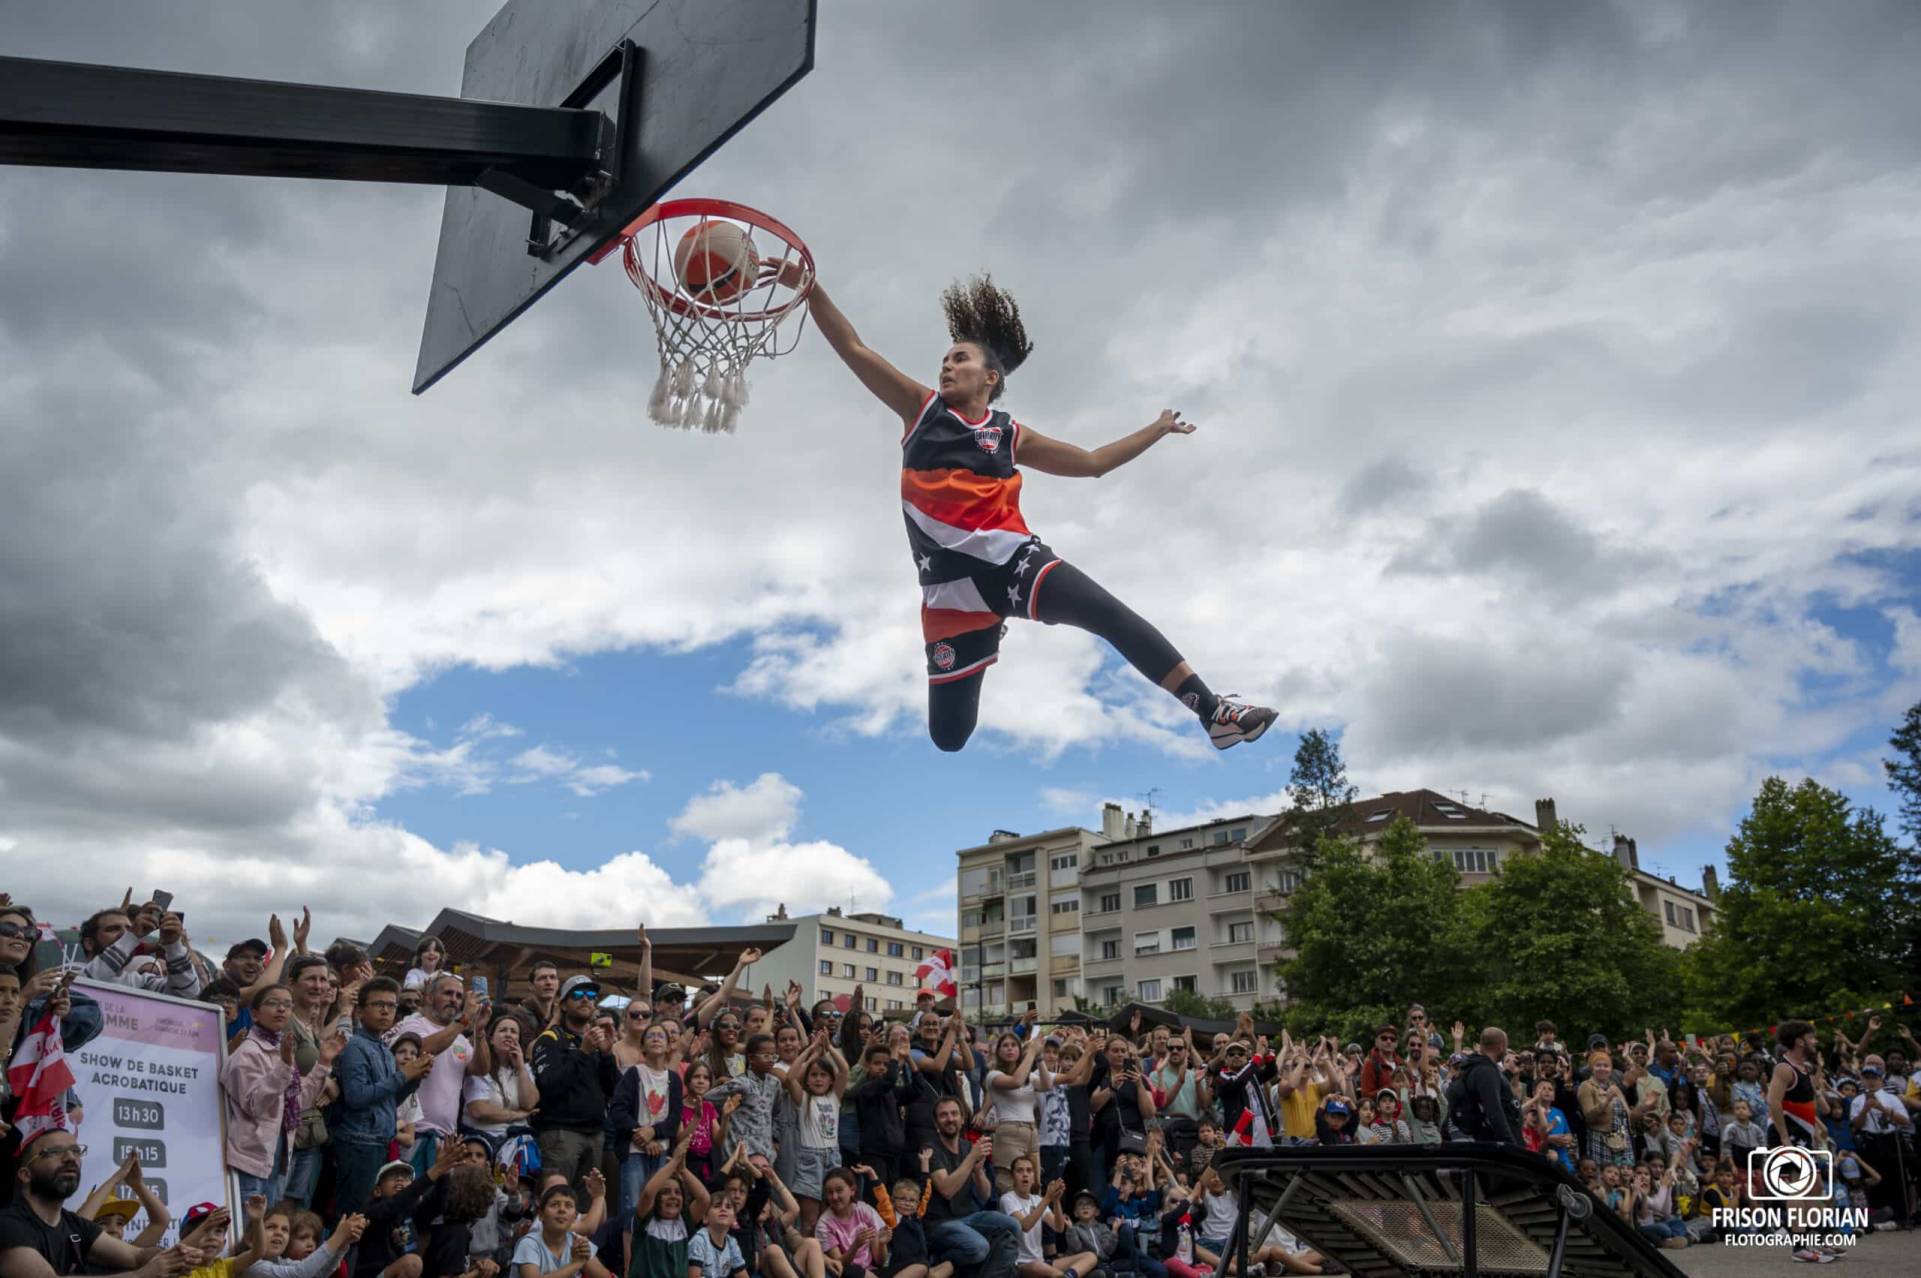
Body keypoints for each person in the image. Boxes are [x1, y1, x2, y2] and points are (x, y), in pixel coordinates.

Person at [797, 269, 1278, 753]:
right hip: (950, 594)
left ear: (989, 377)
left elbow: (1092, 463)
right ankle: (991, 629)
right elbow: (853, 347)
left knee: (1107, 614)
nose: (945, 366)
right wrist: (810, 289)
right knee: (949, 736)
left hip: (1014, 560)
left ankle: (1213, 711)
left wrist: (1155, 428)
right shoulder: (920, 410)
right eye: (943, 359)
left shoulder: (1009, 434)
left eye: (958, 358)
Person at [0, 1129, 202, 1278]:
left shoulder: (74, 1226)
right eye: (53, 1152)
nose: (70, 1158)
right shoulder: (8, 1225)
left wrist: (175, 1255)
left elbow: (136, 1255)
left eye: (76, 1151)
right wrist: (141, 1275)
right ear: (25, 1175)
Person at [220, 985, 349, 1204]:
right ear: (254, 1013)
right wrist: (284, 1066)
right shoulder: (248, 1052)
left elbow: (298, 1103)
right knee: (248, 1232)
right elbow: (254, 1105)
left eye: (287, 1005)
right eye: (273, 1003)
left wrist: (323, 1062)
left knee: (268, 1229)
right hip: (250, 1159)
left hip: (277, 1158)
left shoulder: (281, 1049)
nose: (281, 1009)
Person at [336, 978, 436, 1215]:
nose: (385, 1010)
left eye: (391, 1006)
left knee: (367, 1214)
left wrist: (415, 1077)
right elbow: (356, 1096)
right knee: (351, 1215)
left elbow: (390, 1101)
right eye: (378, 1004)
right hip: (358, 1142)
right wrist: (403, 1076)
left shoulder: (383, 1049)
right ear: (360, 1010)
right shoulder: (355, 1047)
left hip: (378, 1141)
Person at [530, 977, 621, 1194]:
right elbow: (549, 1086)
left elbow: (614, 1091)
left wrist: (607, 1055)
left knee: (586, 1207)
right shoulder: (550, 1039)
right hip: (561, 1134)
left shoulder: (596, 1042)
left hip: (595, 1134)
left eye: (591, 996)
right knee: (555, 1200)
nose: (586, 1000)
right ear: (563, 1004)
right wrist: (583, 1053)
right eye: (578, 995)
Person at [391, 974, 489, 1174]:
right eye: (448, 993)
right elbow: (424, 1048)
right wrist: (463, 1020)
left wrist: (479, 1031)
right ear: (429, 998)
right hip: (413, 1134)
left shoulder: (460, 1038)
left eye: (459, 996)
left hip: (445, 1138)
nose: (454, 999)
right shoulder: (414, 1025)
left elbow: (481, 1068)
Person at [920, 1097, 1020, 1278]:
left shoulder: (968, 1147)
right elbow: (946, 1190)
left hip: (968, 1216)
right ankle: (943, 1262)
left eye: (954, 1114)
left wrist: (978, 1170)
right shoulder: (930, 1149)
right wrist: (971, 1158)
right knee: (978, 1248)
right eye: (943, 1115)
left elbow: (985, 1195)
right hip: (939, 1223)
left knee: (1012, 1226)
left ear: (962, 1118)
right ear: (936, 1122)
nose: (950, 1119)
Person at [997, 1159, 1092, 1278]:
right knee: (1051, 1272)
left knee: (1090, 1256)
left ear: (1033, 1177)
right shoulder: (1007, 1199)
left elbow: (1059, 1227)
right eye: (1020, 1171)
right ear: (1012, 1176)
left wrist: (1056, 1200)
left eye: (1029, 1170)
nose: (1025, 1174)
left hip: (1041, 1262)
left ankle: (1068, 1276)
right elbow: (1025, 1226)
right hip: (1021, 1264)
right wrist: (1047, 1198)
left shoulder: (1037, 1200)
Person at [511, 1184, 610, 1278]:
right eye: (554, 1205)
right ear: (540, 1215)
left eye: (568, 1205)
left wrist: (585, 1258)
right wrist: (576, 1264)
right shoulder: (529, 1244)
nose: (562, 1210)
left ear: (575, 1217)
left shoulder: (578, 1242)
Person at [1446, 1028, 1523, 1148]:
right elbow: (1494, 1111)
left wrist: (1509, 1073)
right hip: (1497, 1147)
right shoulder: (1486, 1071)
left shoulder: (1474, 1067)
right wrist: (1511, 1145)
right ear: (1501, 1045)